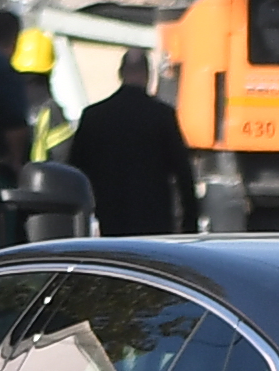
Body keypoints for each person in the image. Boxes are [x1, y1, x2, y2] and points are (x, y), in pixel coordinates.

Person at [63, 50, 192, 239]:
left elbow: (74, 171)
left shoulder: (94, 117)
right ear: (148, 76)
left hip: (110, 216)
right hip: (154, 220)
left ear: (120, 73)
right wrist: (190, 225)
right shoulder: (162, 116)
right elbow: (183, 174)